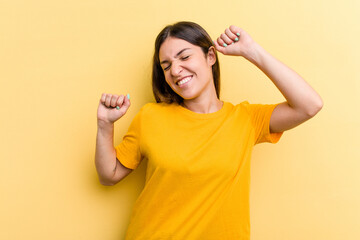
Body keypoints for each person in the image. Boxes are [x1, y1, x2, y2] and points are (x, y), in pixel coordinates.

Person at [95, 21, 323, 239]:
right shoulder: (150, 117)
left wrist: (251, 51)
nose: (175, 70)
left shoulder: (246, 119)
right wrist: (105, 124)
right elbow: (109, 174)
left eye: (184, 57)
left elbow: (309, 105)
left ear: (210, 56)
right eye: (166, 66)